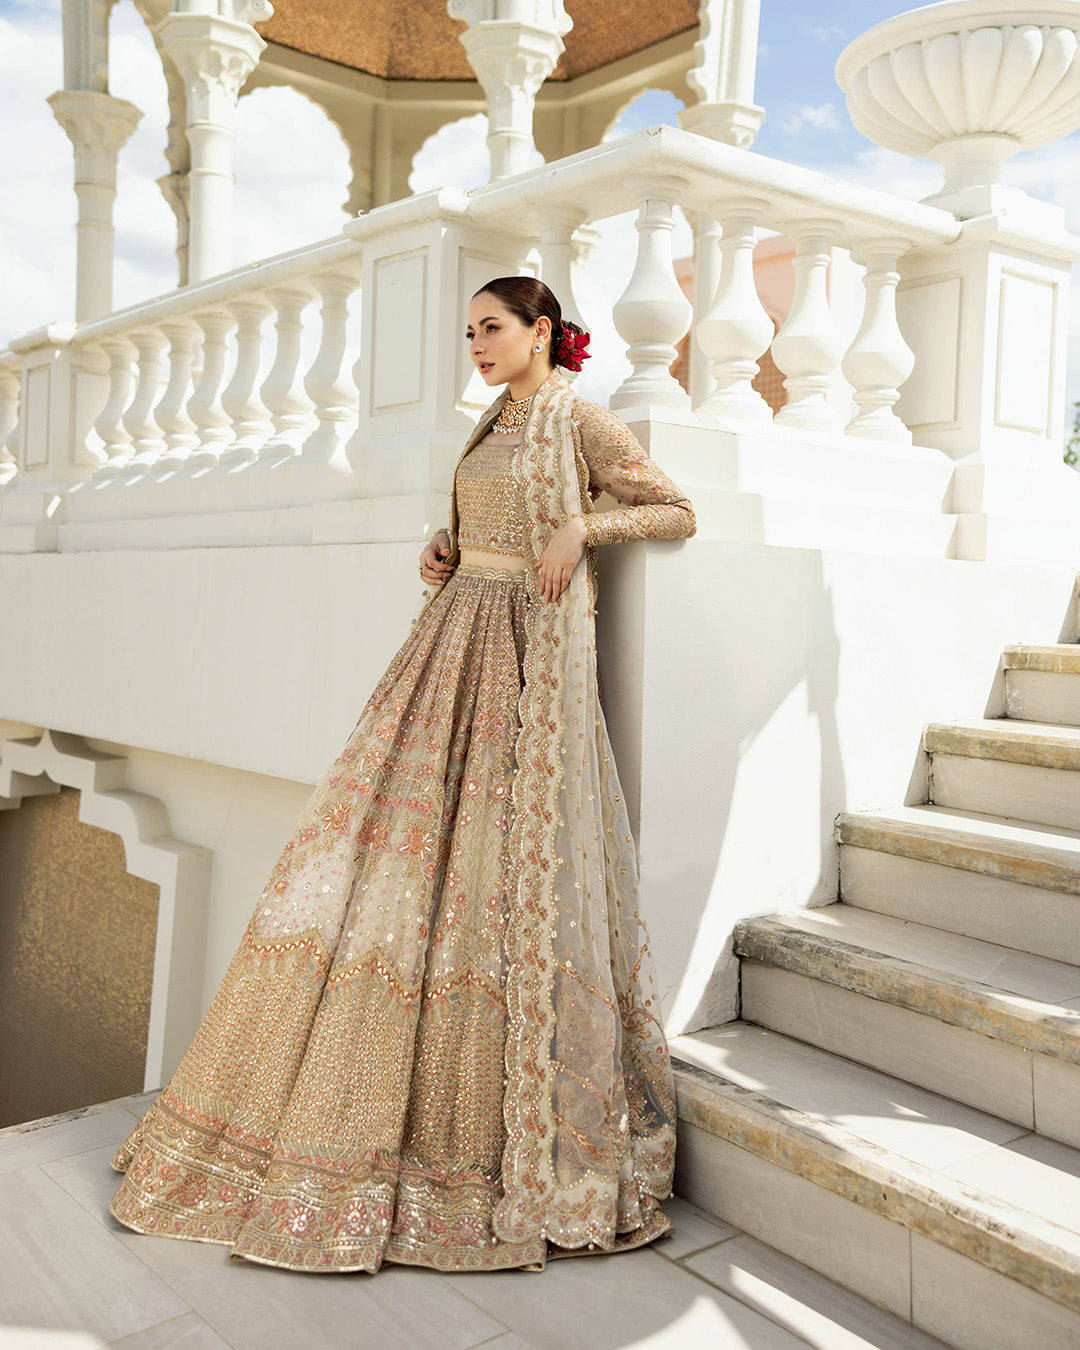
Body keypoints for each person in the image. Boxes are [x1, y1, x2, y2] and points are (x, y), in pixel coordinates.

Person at [109, 276, 697, 1274]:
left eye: (492, 328)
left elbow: (676, 510)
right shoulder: (491, 421)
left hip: (521, 659)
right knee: (393, 853)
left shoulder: (580, 419)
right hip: (455, 636)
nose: (477, 344)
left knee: (492, 868)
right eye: (469, 331)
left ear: (543, 332)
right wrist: (445, 546)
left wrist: (582, 529)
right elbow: (484, 524)